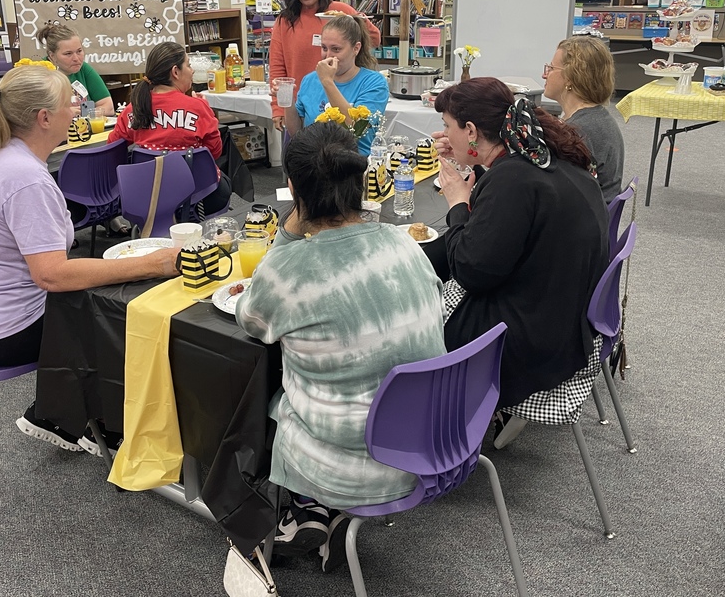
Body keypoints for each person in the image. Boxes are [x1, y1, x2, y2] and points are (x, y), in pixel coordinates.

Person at [236, 121, 445, 573]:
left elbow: (251, 322)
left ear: (292, 189)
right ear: (360, 179)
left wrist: (288, 233)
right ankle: (309, 510)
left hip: (348, 466)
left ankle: (302, 507)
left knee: (260, 399)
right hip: (433, 441)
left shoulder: (289, 269)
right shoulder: (403, 242)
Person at [0, 65, 179, 452]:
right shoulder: (24, 179)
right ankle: (93, 421)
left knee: (102, 295)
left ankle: (65, 413)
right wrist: (154, 264)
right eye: (72, 102)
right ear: (44, 117)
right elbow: (52, 275)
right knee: (125, 315)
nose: (77, 109)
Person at [433, 78, 608, 447]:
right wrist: (472, 162)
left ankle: (426, 410)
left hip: (529, 345)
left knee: (417, 300)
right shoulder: (539, 154)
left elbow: (471, 270)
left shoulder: (512, 178)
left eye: (449, 126)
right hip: (563, 322)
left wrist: (456, 204)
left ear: (470, 130)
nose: (445, 135)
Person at [107, 41, 230, 215]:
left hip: (149, 198)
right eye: (188, 65)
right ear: (175, 72)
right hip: (198, 196)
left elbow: (113, 147)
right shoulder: (198, 107)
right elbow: (214, 152)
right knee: (225, 179)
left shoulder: (134, 108)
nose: (192, 70)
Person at [268, 0, 382, 130]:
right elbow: (277, 65)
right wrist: (278, 107)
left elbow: (373, 38)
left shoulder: (339, 10)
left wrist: (357, 20)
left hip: (343, 96)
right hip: (301, 106)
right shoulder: (285, 20)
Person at [279, 13, 388, 156]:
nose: (328, 55)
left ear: (356, 48)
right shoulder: (310, 80)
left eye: (336, 49)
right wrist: (287, 100)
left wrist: (327, 82)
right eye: (324, 48)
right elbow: (297, 132)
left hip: (352, 164)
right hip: (313, 161)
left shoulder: (373, 82)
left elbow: (356, 130)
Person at [543, 35, 625, 202]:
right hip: (595, 215)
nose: (544, 75)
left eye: (550, 68)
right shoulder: (599, 118)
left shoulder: (577, 132)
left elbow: (556, 195)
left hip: (581, 222)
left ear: (570, 77)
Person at [35, 23, 115, 117]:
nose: (76, 58)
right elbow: (39, 116)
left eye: (79, 51)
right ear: (52, 56)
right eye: (68, 53)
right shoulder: (40, 74)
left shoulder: (83, 69)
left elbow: (109, 108)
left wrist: (81, 114)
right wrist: (65, 114)